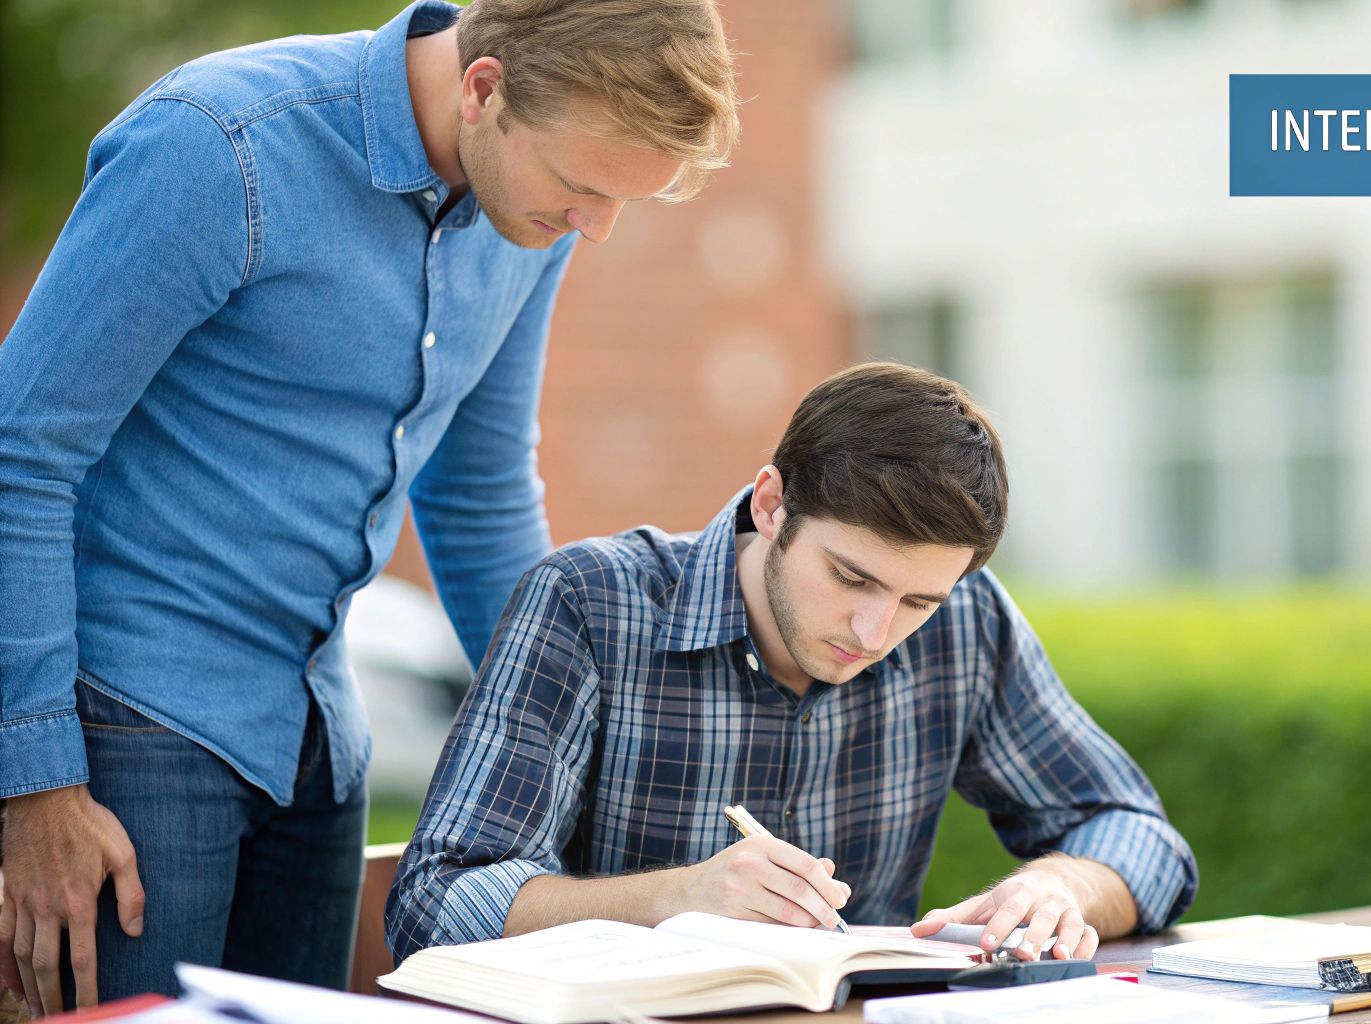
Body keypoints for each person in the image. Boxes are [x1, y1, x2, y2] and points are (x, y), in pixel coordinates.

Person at [0, 0, 739, 1014]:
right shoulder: (219, 147)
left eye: (621, 201)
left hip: (320, 738)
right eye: (579, 187)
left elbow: (477, 497)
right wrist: (33, 783)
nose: (594, 228)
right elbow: (21, 453)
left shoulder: (536, 211)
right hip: (128, 728)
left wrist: (585, 754)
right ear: (484, 88)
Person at [387, 363, 1197, 966]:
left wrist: (1063, 888)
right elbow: (432, 905)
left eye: (919, 601)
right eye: (852, 577)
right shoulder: (590, 604)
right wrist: (677, 898)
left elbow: (1141, 836)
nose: (877, 630)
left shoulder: (968, 623)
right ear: (772, 504)